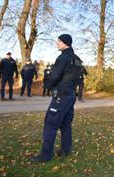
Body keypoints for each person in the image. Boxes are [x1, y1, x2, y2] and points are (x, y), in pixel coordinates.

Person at [30, 34, 82, 162]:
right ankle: (66, 150)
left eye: (59, 41)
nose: (57, 43)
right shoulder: (77, 59)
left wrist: (48, 86)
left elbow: (54, 75)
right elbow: (79, 77)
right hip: (70, 95)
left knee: (50, 124)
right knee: (65, 123)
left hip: (61, 95)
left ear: (65, 43)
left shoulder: (63, 57)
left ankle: (46, 155)